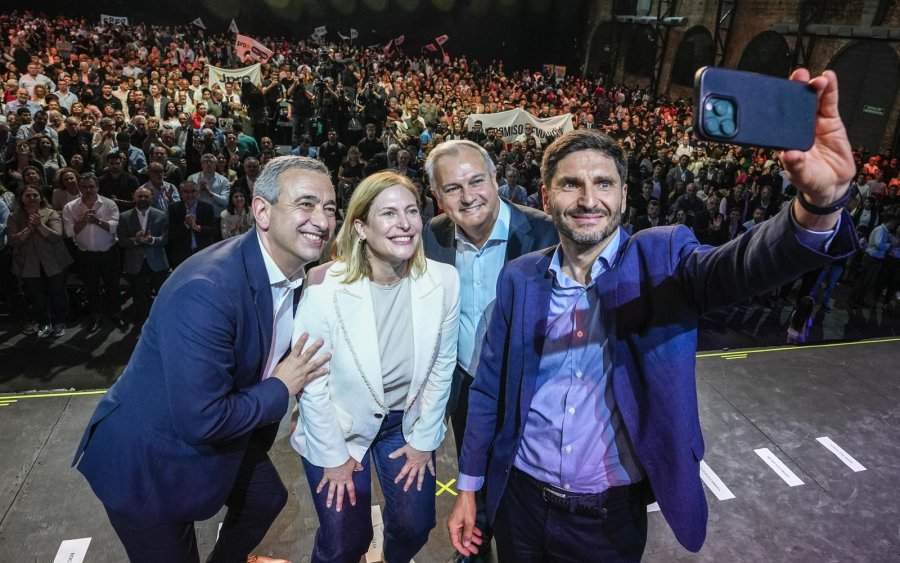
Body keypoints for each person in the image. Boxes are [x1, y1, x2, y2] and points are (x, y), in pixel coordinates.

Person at [447, 69, 859, 562]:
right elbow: (489, 389)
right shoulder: (519, 278)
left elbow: (739, 267)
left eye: (604, 183)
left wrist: (819, 206)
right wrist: (469, 487)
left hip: (608, 520)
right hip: (520, 503)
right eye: (570, 184)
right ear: (545, 195)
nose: (587, 199)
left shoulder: (662, 257)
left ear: (623, 195)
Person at [73, 156, 337, 562]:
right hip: (149, 464)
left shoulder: (293, 275)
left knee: (264, 500)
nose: (321, 220)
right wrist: (283, 387)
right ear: (262, 211)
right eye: (305, 204)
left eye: (330, 207)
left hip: (215, 431)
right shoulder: (208, 289)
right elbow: (202, 418)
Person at [292, 170, 460, 563]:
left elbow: (442, 366)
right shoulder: (323, 292)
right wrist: (334, 457)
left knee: (416, 526)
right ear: (361, 228)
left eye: (412, 211)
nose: (405, 224)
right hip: (338, 426)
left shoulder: (445, 281)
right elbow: (312, 386)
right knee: (344, 542)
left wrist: (423, 441)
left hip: (405, 425)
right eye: (388, 213)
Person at [422, 139, 558, 562]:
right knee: (472, 483)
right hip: (467, 387)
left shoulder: (545, 232)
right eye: (452, 188)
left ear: (496, 179)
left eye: (477, 181)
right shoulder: (433, 236)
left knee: (522, 497)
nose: (468, 196)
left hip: (531, 391)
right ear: (437, 197)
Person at [62, 172, 125, 335]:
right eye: (84, 187)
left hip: (109, 253)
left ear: (97, 187)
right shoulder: (70, 207)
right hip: (85, 255)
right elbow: (69, 232)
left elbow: (113, 227)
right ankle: (95, 317)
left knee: (113, 286)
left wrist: (97, 221)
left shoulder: (109, 204)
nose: (88, 190)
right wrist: (82, 221)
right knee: (91, 288)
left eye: (91, 186)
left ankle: (116, 314)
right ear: (79, 188)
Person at [8, 185, 73, 338]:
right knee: (37, 297)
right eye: (28, 196)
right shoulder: (14, 216)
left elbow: (56, 236)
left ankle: (59, 322)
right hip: (28, 265)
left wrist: (39, 224)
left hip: (54, 262)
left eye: (35, 195)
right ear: (22, 198)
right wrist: (29, 229)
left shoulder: (50, 213)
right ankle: (44, 323)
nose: (31, 199)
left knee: (58, 294)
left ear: (41, 197)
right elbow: (14, 241)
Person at [117, 187, 169, 329]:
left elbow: (165, 239)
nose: (143, 199)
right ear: (134, 197)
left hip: (157, 261)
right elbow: (121, 242)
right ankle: (143, 323)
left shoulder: (161, 215)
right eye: (140, 196)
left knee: (161, 294)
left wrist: (152, 240)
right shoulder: (124, 216)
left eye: (146, 196)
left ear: (151, 198)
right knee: (138, 295)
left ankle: (162, 321)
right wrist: (135, 240)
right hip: (135, 262)